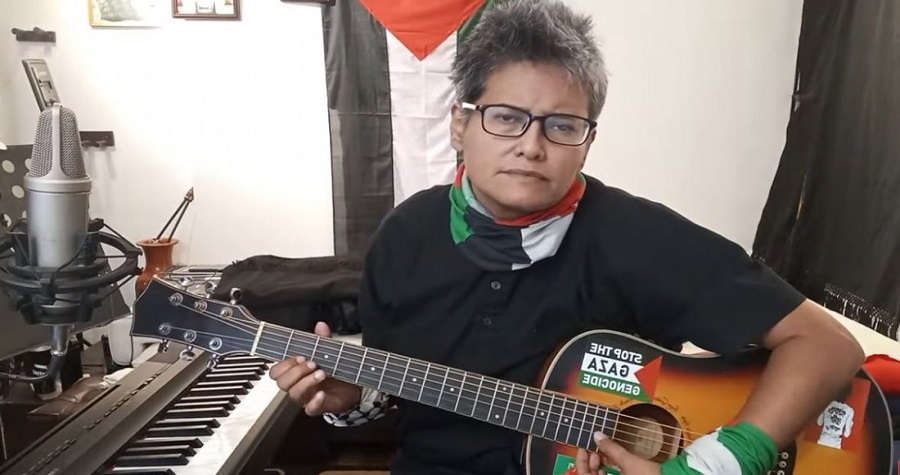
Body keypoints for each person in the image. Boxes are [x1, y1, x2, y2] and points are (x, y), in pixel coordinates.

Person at [269, 0, 865, 473]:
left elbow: (827, 346)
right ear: (459, 124)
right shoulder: (405, 238)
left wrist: (719, 461)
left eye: (561, 126)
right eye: (506, 117)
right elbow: (394, 395)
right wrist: (350, 399)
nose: (531, 146)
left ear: (587, 142)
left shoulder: (640, 238)